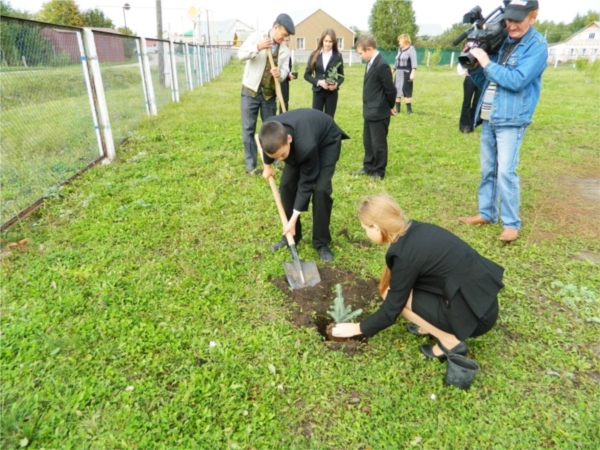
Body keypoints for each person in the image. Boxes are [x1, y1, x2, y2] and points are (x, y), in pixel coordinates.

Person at [332, 194, 504, 361]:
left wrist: (357, 328)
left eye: (365, 228)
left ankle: (450, 341)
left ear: (377, 228)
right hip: (482, 301)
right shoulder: (418, 229)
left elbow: (391, 310)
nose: (365, 233)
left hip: (476, 319)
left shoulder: (405, 256)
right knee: (397, 291)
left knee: (389, 293)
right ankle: (431, 325)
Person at [458, 0, 547, 242]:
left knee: (506, 172)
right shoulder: (501, 41)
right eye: (509, 18)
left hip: (511, 118)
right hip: (488, 116)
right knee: (488, 171)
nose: (511, 24)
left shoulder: (537, 46)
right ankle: (487, 213)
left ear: (533, 16)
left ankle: (511, 224)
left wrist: (487, 62)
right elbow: (485, 81)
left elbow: (517, 80)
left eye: (518, 19)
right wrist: (474, 63)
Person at [259, 109, 350, 262]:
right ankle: (292, 235)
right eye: (276, 158)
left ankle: (321, 243)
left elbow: (306, 184)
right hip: (300, 141)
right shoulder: (269, 131)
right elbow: (267, 149)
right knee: (287, 186)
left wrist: (293, 219)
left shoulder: (305, 146)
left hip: (326, 141)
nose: (280, 160)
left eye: (281, 156)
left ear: (288, 139)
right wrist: (267, 166)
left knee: (321, 190)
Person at [239, 14, 295, 175]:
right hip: (250, 90)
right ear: (275, 27)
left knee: (271, 129)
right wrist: (257, 47)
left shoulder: (285, 50)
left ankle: (275, 158)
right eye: (283, 34)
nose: (284, 38)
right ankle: (251, 165)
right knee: (248, 128)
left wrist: (280, 73)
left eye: (286, 36)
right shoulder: (258, 37)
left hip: (269, 95)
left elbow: (285, 71)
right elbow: (241, 54)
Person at [353, 35, 396, 181]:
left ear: (369, 49)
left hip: (379, 112)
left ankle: (379, 170)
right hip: (369, 111)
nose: (360, 56)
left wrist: (390, 106)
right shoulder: (370, 62)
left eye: (360, 53)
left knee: (378, 143)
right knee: (368, 141)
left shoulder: (381, 65)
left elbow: (390, 89)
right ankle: (368, 166)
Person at [304, 28, 345, 119]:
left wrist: (336, 84)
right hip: (318, 92)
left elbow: (341, 76)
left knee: (329, 119)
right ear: (322, 40)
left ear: (333, 42)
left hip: (331, 93)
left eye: (330, 41)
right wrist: (319, 82)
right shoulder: (314, 55)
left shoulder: (338, 56)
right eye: (325, 41)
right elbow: (306, 75)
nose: (327, 44)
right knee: (316, 118)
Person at [393, 34, 417, 115]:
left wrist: (412, 73)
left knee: (406, 91)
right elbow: (397, 62)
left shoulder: (411, 49)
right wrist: (393, 70)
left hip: (406, 72)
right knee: (397, 90)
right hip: (398, 72)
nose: (399, 42)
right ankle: (397, 109)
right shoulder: (399, 50)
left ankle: (409, 109)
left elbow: (414, 62)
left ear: (405, 41)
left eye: (400, 41)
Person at [457, 63, 481, 133]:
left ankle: (471, 125)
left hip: (481, 80)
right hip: (470, 78)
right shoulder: (471, 52)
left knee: (476, 104)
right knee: (466, 103)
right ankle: (463, 125)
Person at [279, 36, 296, 114]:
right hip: (275, 79)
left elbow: (287, 69)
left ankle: (283, 121)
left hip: (284, 81)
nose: (286, 43)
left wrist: (289, 75)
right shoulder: (277, 52)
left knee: (284, 102)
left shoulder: (288, 55)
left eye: (287, 41)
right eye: (284, 41)